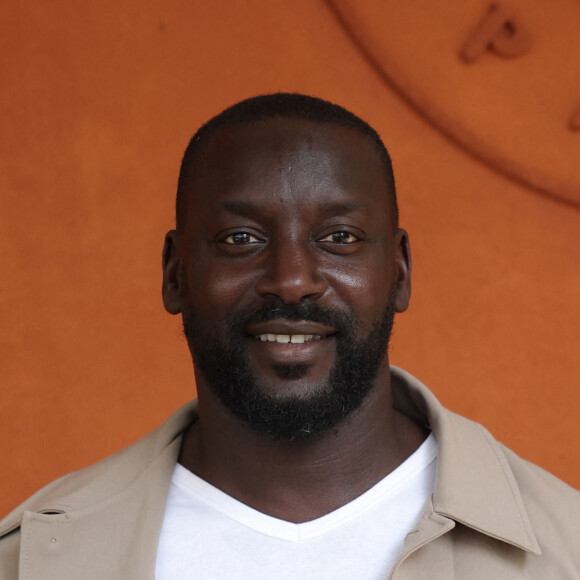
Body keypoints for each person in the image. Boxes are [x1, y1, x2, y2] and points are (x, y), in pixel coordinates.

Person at [0, 93, 578, 579]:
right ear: (176, 273)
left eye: (341, 237)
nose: (292, 281)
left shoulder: (565, 550)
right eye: (240, 240)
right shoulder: (33, 560)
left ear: (399, 272)